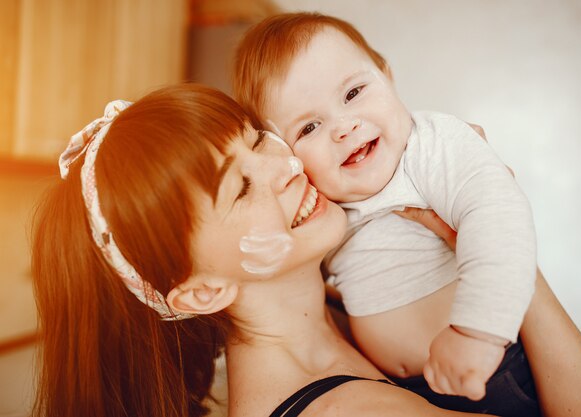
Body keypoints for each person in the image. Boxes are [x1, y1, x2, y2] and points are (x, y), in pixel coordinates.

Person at [31, 84, 504, 417]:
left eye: (257, 137)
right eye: (240, 188)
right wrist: (492, 231)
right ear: (202, 292)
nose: (289, 164)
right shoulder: (345, 410)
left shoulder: (353, 305)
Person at [232, 12, 536, 409]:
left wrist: (477, 332)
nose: (343, 127)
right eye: (309, 128)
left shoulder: (431, 147)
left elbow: (498, 217)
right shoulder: (324, 201)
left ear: (386, 76)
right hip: (409, 385)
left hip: (489, 365)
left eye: (353, 93)